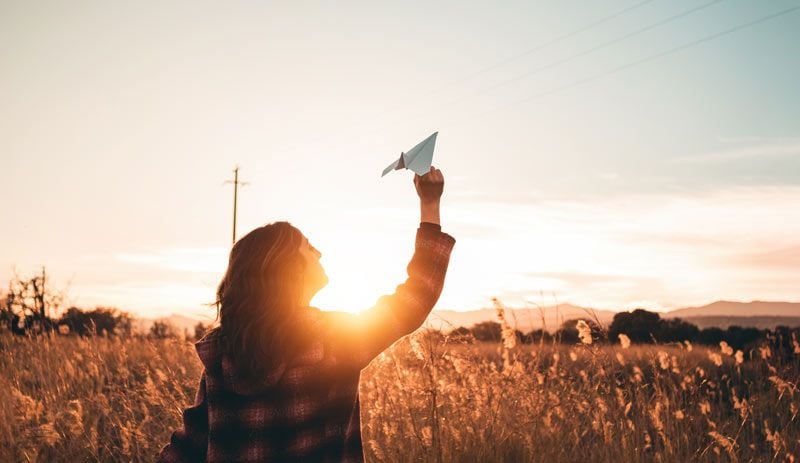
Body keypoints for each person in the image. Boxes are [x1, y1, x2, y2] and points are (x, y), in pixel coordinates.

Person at [157, 166, 455, 462]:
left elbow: (191, 445)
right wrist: (429, 204)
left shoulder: (225, 352)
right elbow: (416, 296)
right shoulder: (331, 340)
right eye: (308, 248)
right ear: (288, 268)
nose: (319, 254)